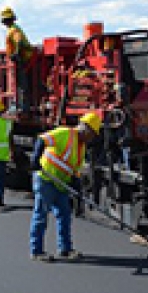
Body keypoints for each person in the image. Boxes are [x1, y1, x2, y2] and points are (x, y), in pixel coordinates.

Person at [29, 112, 101, 262]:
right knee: (41, 215)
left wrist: (77, 188)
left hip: (61, 184)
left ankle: (65, 249)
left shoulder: (81, 148)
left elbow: (74, 170)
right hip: (46, 180)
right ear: (85, 129)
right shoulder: (65, 133)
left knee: (64, 216)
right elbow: (42, 139)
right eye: (92, 134)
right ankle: (36, 251)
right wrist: (35, 159)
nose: (92, 138)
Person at [0, 6, 34, 113]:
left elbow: (19, 42)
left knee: (21, 84)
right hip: (22, 58)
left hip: (23, 59)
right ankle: (21, 106)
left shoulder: (14, 30)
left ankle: (23, 107)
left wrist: (16, 54)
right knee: (20, 84)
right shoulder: (13, 29)